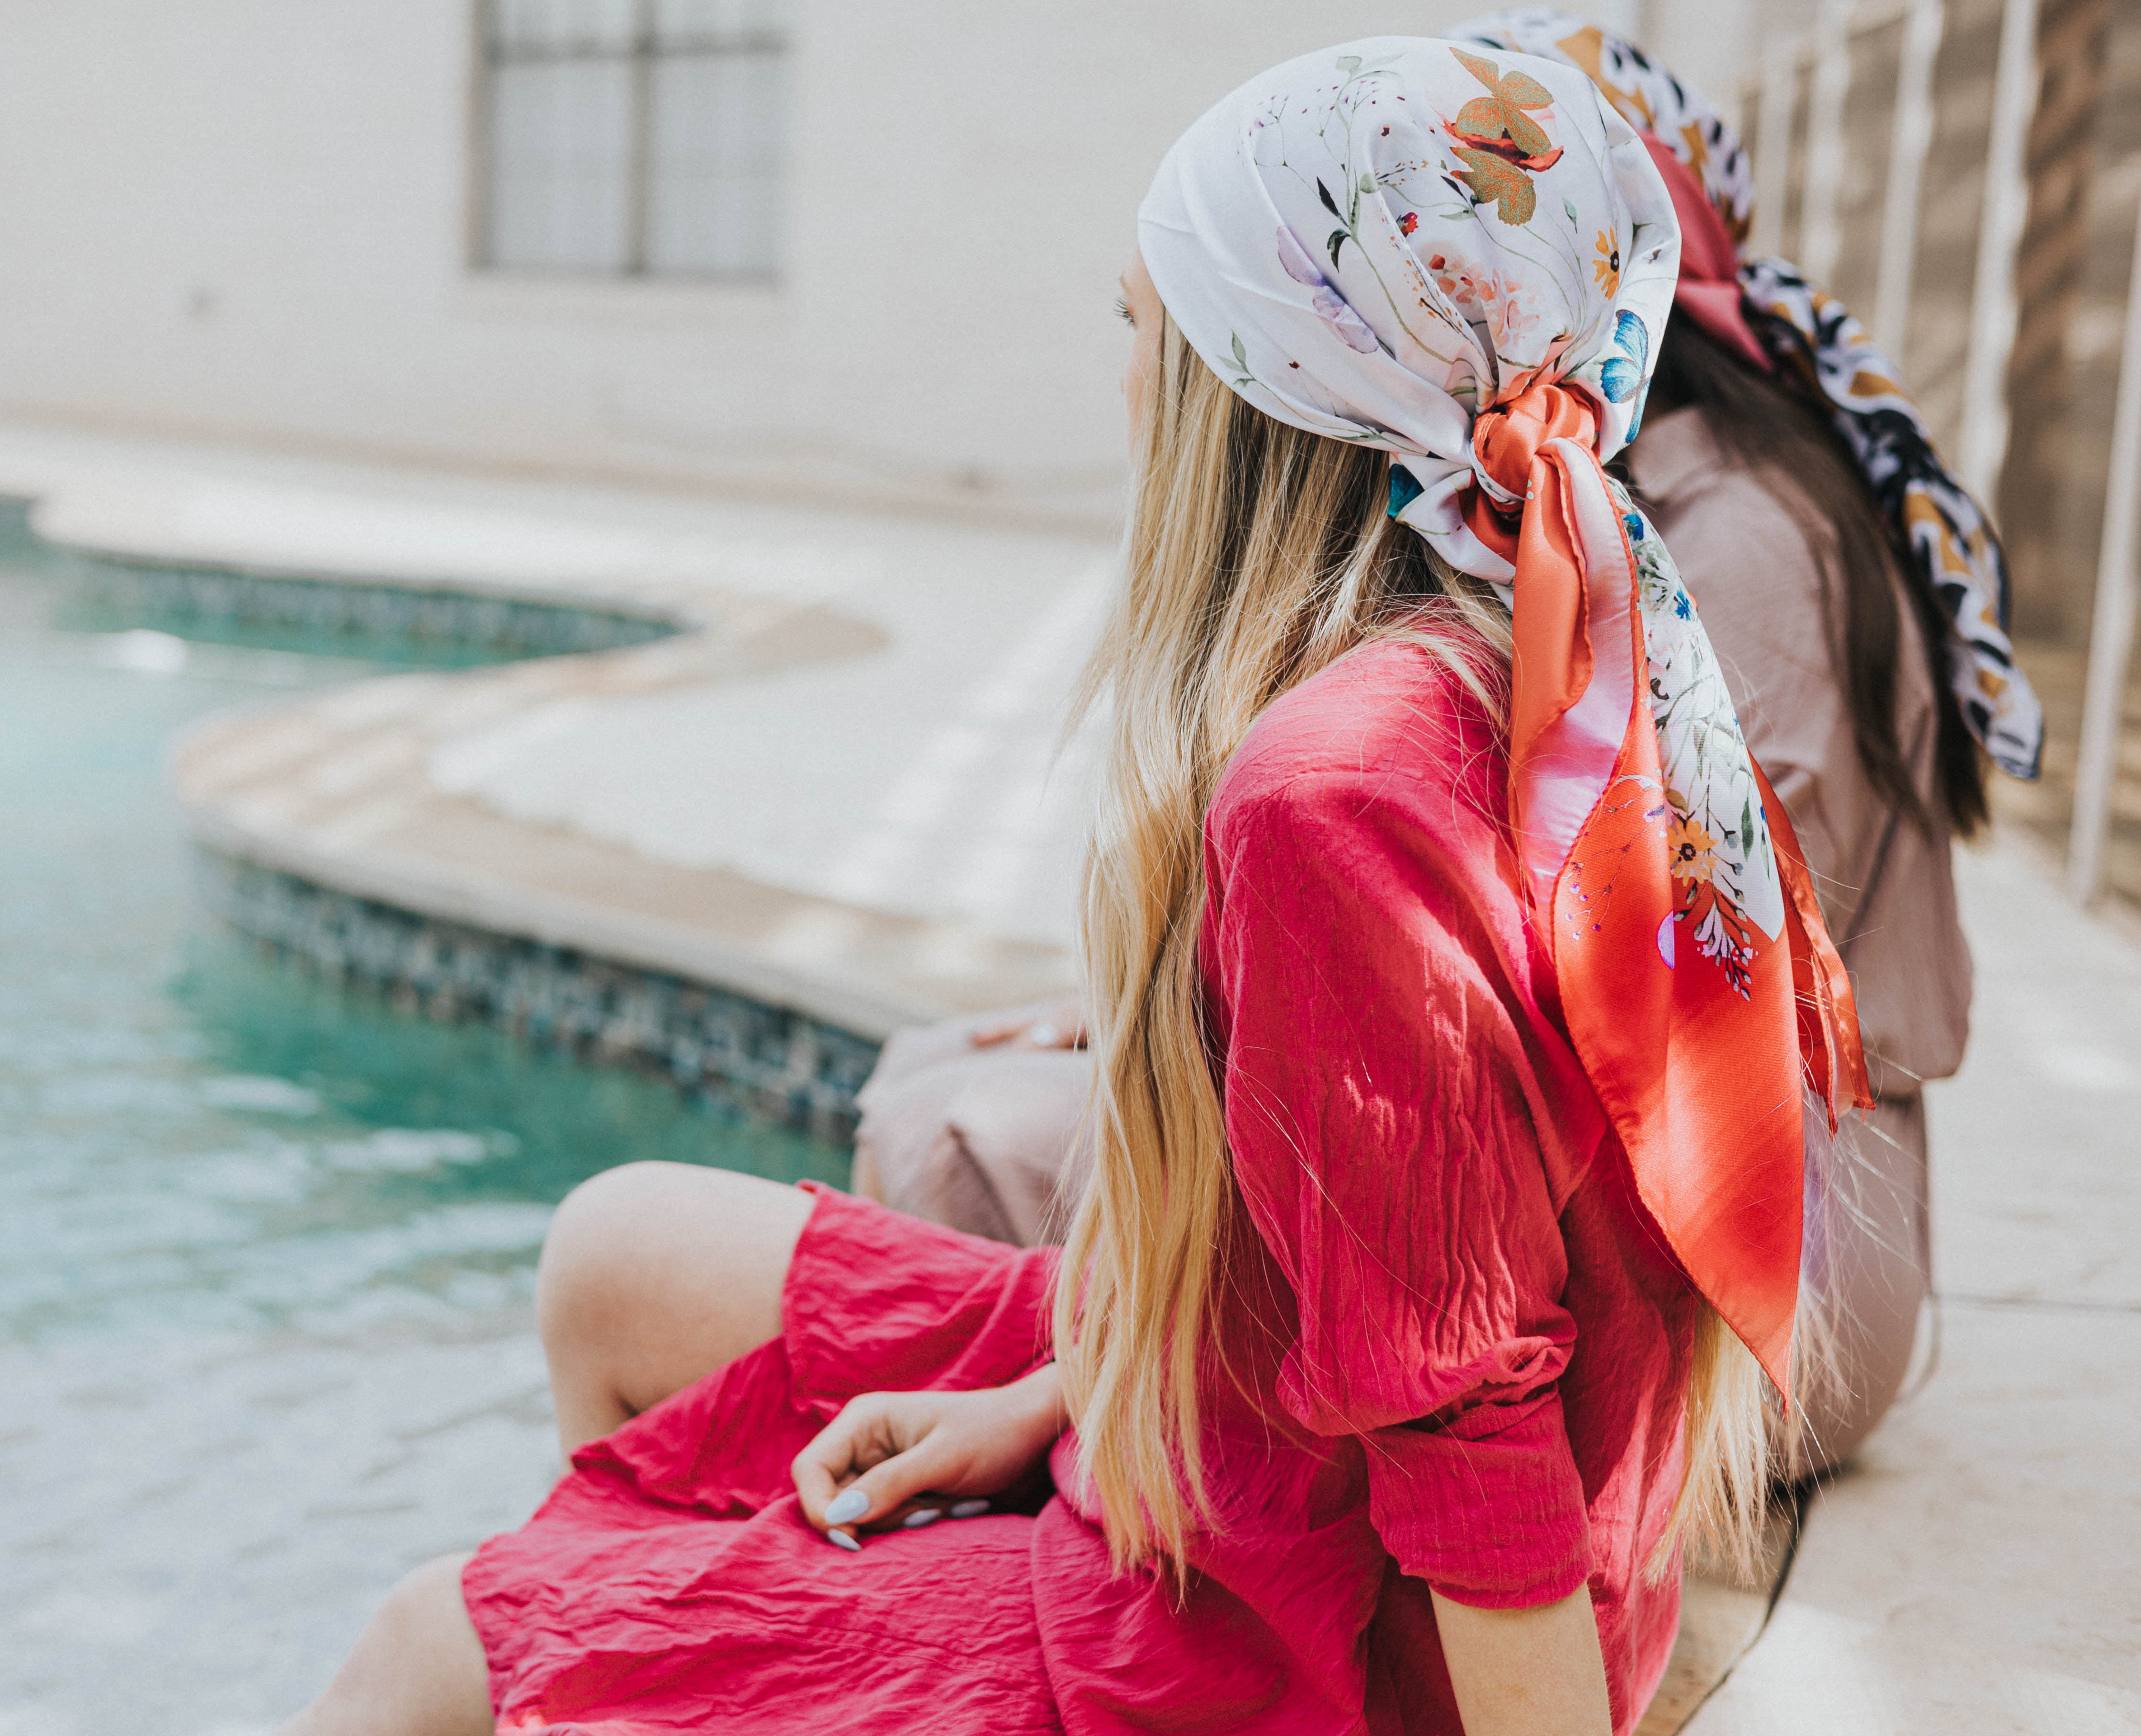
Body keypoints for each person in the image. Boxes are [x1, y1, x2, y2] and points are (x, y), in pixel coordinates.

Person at [281, 37, 1870, 1736]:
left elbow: (1467, 1427)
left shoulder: (1329, 798)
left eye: (1143, 322)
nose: (1121, 375)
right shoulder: (1573, 665)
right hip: (1240, 1442)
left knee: (428, 1653)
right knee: (618, 1254)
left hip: (1292, 1645)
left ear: (1269, 384)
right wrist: (1060, 1397)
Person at [855, 6, 2045, 1475]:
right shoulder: (1578, 502)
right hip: (1605, 1186)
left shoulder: (1735, 537)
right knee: (944, 1062)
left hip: (1766, 1265)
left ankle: (1039, 1472)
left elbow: (1630, 984)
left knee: (960, 1130)